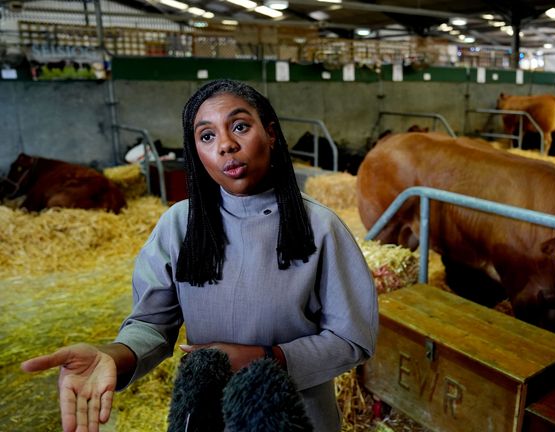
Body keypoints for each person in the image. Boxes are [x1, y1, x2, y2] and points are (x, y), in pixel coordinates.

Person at [20, 79, 379, 432]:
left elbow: (350, 339)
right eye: (207, 136)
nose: (225, 145)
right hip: (206, 414)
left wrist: (269, 360)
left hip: (296, 415)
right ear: (196, 151)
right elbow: (152, 325)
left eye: (240, 126)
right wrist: (115, 355)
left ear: (270, 133)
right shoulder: (178, 225)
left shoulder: (321, 226)